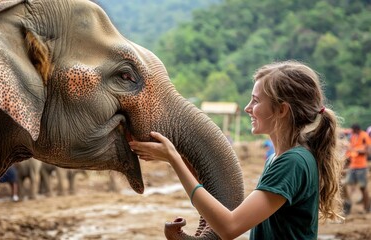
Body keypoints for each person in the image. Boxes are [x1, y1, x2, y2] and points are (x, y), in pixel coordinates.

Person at [129, 60, 344, 239]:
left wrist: (174, 158)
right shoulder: (279, 159)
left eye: (256, 101)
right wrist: (173, 158)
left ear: (281, 110)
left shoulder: (293, 162)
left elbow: (229, 227)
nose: (247, 108)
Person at [344, 123, 371, 214]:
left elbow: (367, 151)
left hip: (362, 167)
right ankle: (347, 205)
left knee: (363, 188)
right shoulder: (353, 137)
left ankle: (367, 208)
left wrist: (357, 150)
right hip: (352, 166)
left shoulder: (364, 136)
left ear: (356, 129)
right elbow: (350, 149)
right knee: (346, 185)